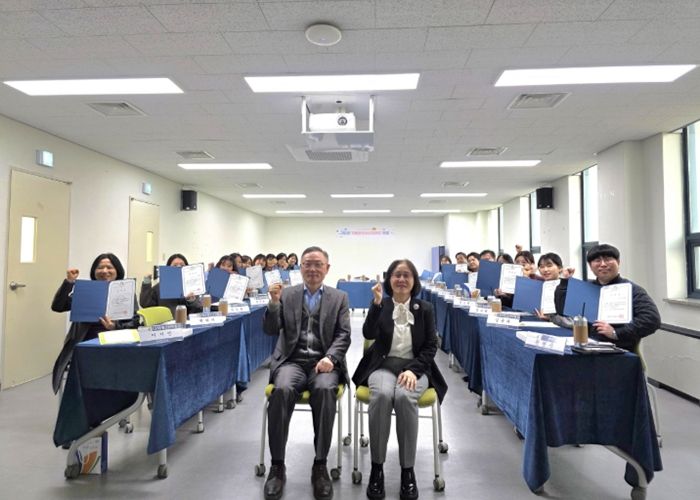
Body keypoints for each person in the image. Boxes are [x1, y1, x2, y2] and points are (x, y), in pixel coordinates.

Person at [352, 259, 447, 500]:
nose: (401, 280)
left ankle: (408, 471)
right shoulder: (382, 304)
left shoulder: (425, 308)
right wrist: (375, 304)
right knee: (382, 396)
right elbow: (368, 333)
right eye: (397, 275)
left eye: (407, 275)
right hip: (383, 366)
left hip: (415, 368)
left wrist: (414, 370)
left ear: (414, 281)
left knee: (404, 397)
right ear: (389, 280)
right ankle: (377, 468)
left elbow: (430, 346)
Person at [262, 246, 351, 500]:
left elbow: (344, 334)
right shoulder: (287, 294)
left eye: (318, 264)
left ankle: (320, 465)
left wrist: (331, 358)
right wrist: (274, 303)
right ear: (300, 268)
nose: (312, 269)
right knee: (281, 389)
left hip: (323, 363)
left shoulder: (339, 297)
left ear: (327, 268)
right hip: (291, 361)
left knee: (324, 390)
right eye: (307, 264)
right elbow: (271, 329)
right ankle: (277, 466)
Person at [51, 253, 140, 394]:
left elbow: (134, 322)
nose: (104, 271)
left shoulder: (126, 292)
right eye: (100, 268)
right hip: (85, 345)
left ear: (117, 271)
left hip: (116, 345)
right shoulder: (86, 290)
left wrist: (114, 326)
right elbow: (58, 306)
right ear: (94, 271)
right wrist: (69, 283)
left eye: (109, 267)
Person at [584, 244, 660, 351]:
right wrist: (565, 282)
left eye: (608, 259)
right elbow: (565, 311)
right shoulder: (587, 289)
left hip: (620, 353)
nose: (603, 264)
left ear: (618, 262)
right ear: (590, 265)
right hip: (586, 349)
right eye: (597, 260)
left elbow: (651, 319)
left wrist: (616, 332)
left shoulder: (632, 289)